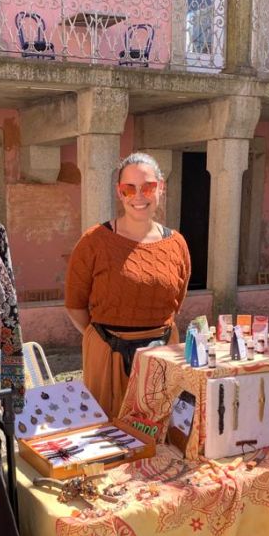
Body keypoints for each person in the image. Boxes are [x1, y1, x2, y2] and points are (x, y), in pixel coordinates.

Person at [64, 152, 191, 418]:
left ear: (161, 188)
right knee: (108, 437)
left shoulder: (176, 244)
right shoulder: (94, 242)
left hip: (164, 354)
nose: (139, 196)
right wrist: (100, 339)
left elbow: (176, 301)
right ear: (119, 193)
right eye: (129, 188)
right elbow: (75, 304)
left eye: (148, 187)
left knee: (159, 437)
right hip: (108, 355)